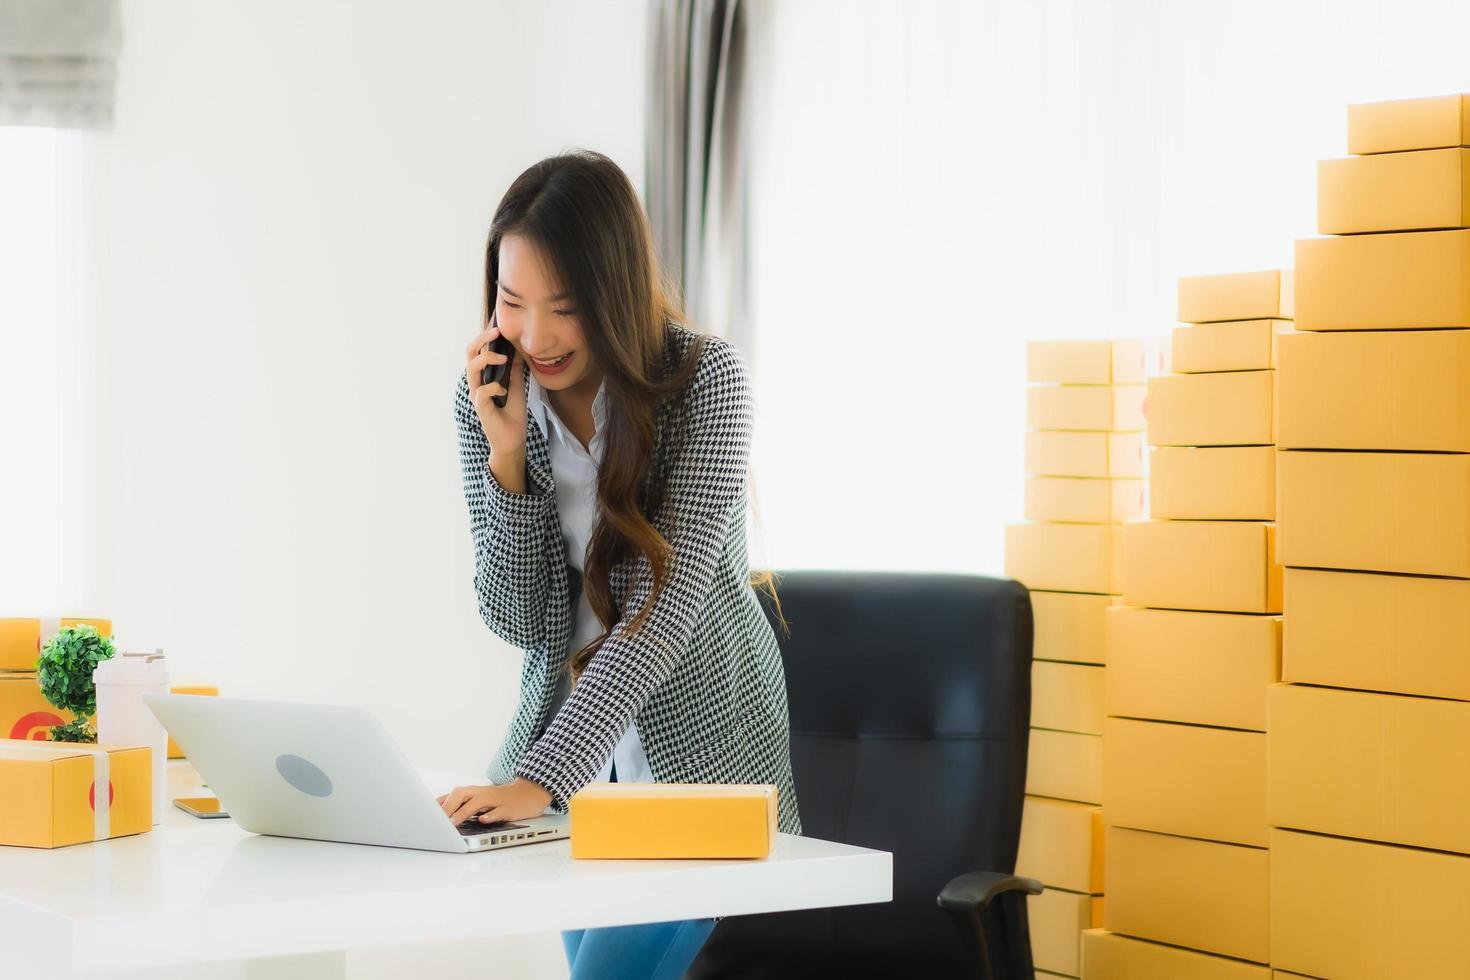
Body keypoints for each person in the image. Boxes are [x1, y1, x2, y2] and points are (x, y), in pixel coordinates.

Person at [441, 148, 802, 979]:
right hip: (575, 768)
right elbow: (522, 620)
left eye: (564, 308)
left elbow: (658, 610)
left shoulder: (708, 382)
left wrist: (537, 779)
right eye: (512, 302)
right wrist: (508, 461)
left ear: (615, 292)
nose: (534, 337)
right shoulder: (491, 395)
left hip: (704, 764)